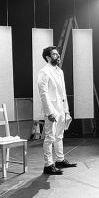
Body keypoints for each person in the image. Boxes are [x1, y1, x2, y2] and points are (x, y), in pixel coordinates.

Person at [38, 46, 76, 175]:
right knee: (50, 137)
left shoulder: (59, 71)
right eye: (54, 54)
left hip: (61, 108)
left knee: (59, 135)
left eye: (57, 54)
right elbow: (43, 93)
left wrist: (66, 110)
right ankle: (48, 165)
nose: (58, 56)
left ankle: (60, 159)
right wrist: (49, 113)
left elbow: (63, 92)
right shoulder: (44, 72)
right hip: (52, 109)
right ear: (48, 57)